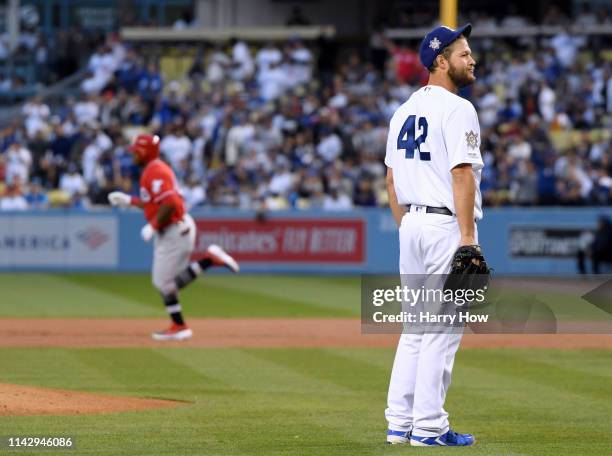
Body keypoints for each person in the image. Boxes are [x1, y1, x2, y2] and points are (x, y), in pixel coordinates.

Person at [384, 24, 483, 446]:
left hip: (413, 225)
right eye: (463, 53)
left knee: (415, 330)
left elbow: (391, 180)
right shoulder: (458, 108)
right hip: (445, 225)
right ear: (440, 61)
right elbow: (461, 173)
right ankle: (429, 428)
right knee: (442, 330)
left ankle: (398, 424)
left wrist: (406, 226)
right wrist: (467, 238)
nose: (472, 59)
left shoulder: (403, 110)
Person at [108, 134, 239, 341]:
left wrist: (152, 226)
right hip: (174, 229)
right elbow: (155, 202)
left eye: (136, 151)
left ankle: (180, 325)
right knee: (167, 282)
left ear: (144, 152)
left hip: (174, 229)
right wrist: (129, 200)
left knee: (163, 282)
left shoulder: (155, 170)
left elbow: (171, 203)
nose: (133, 155)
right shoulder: (151, 170)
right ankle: (207, 263)